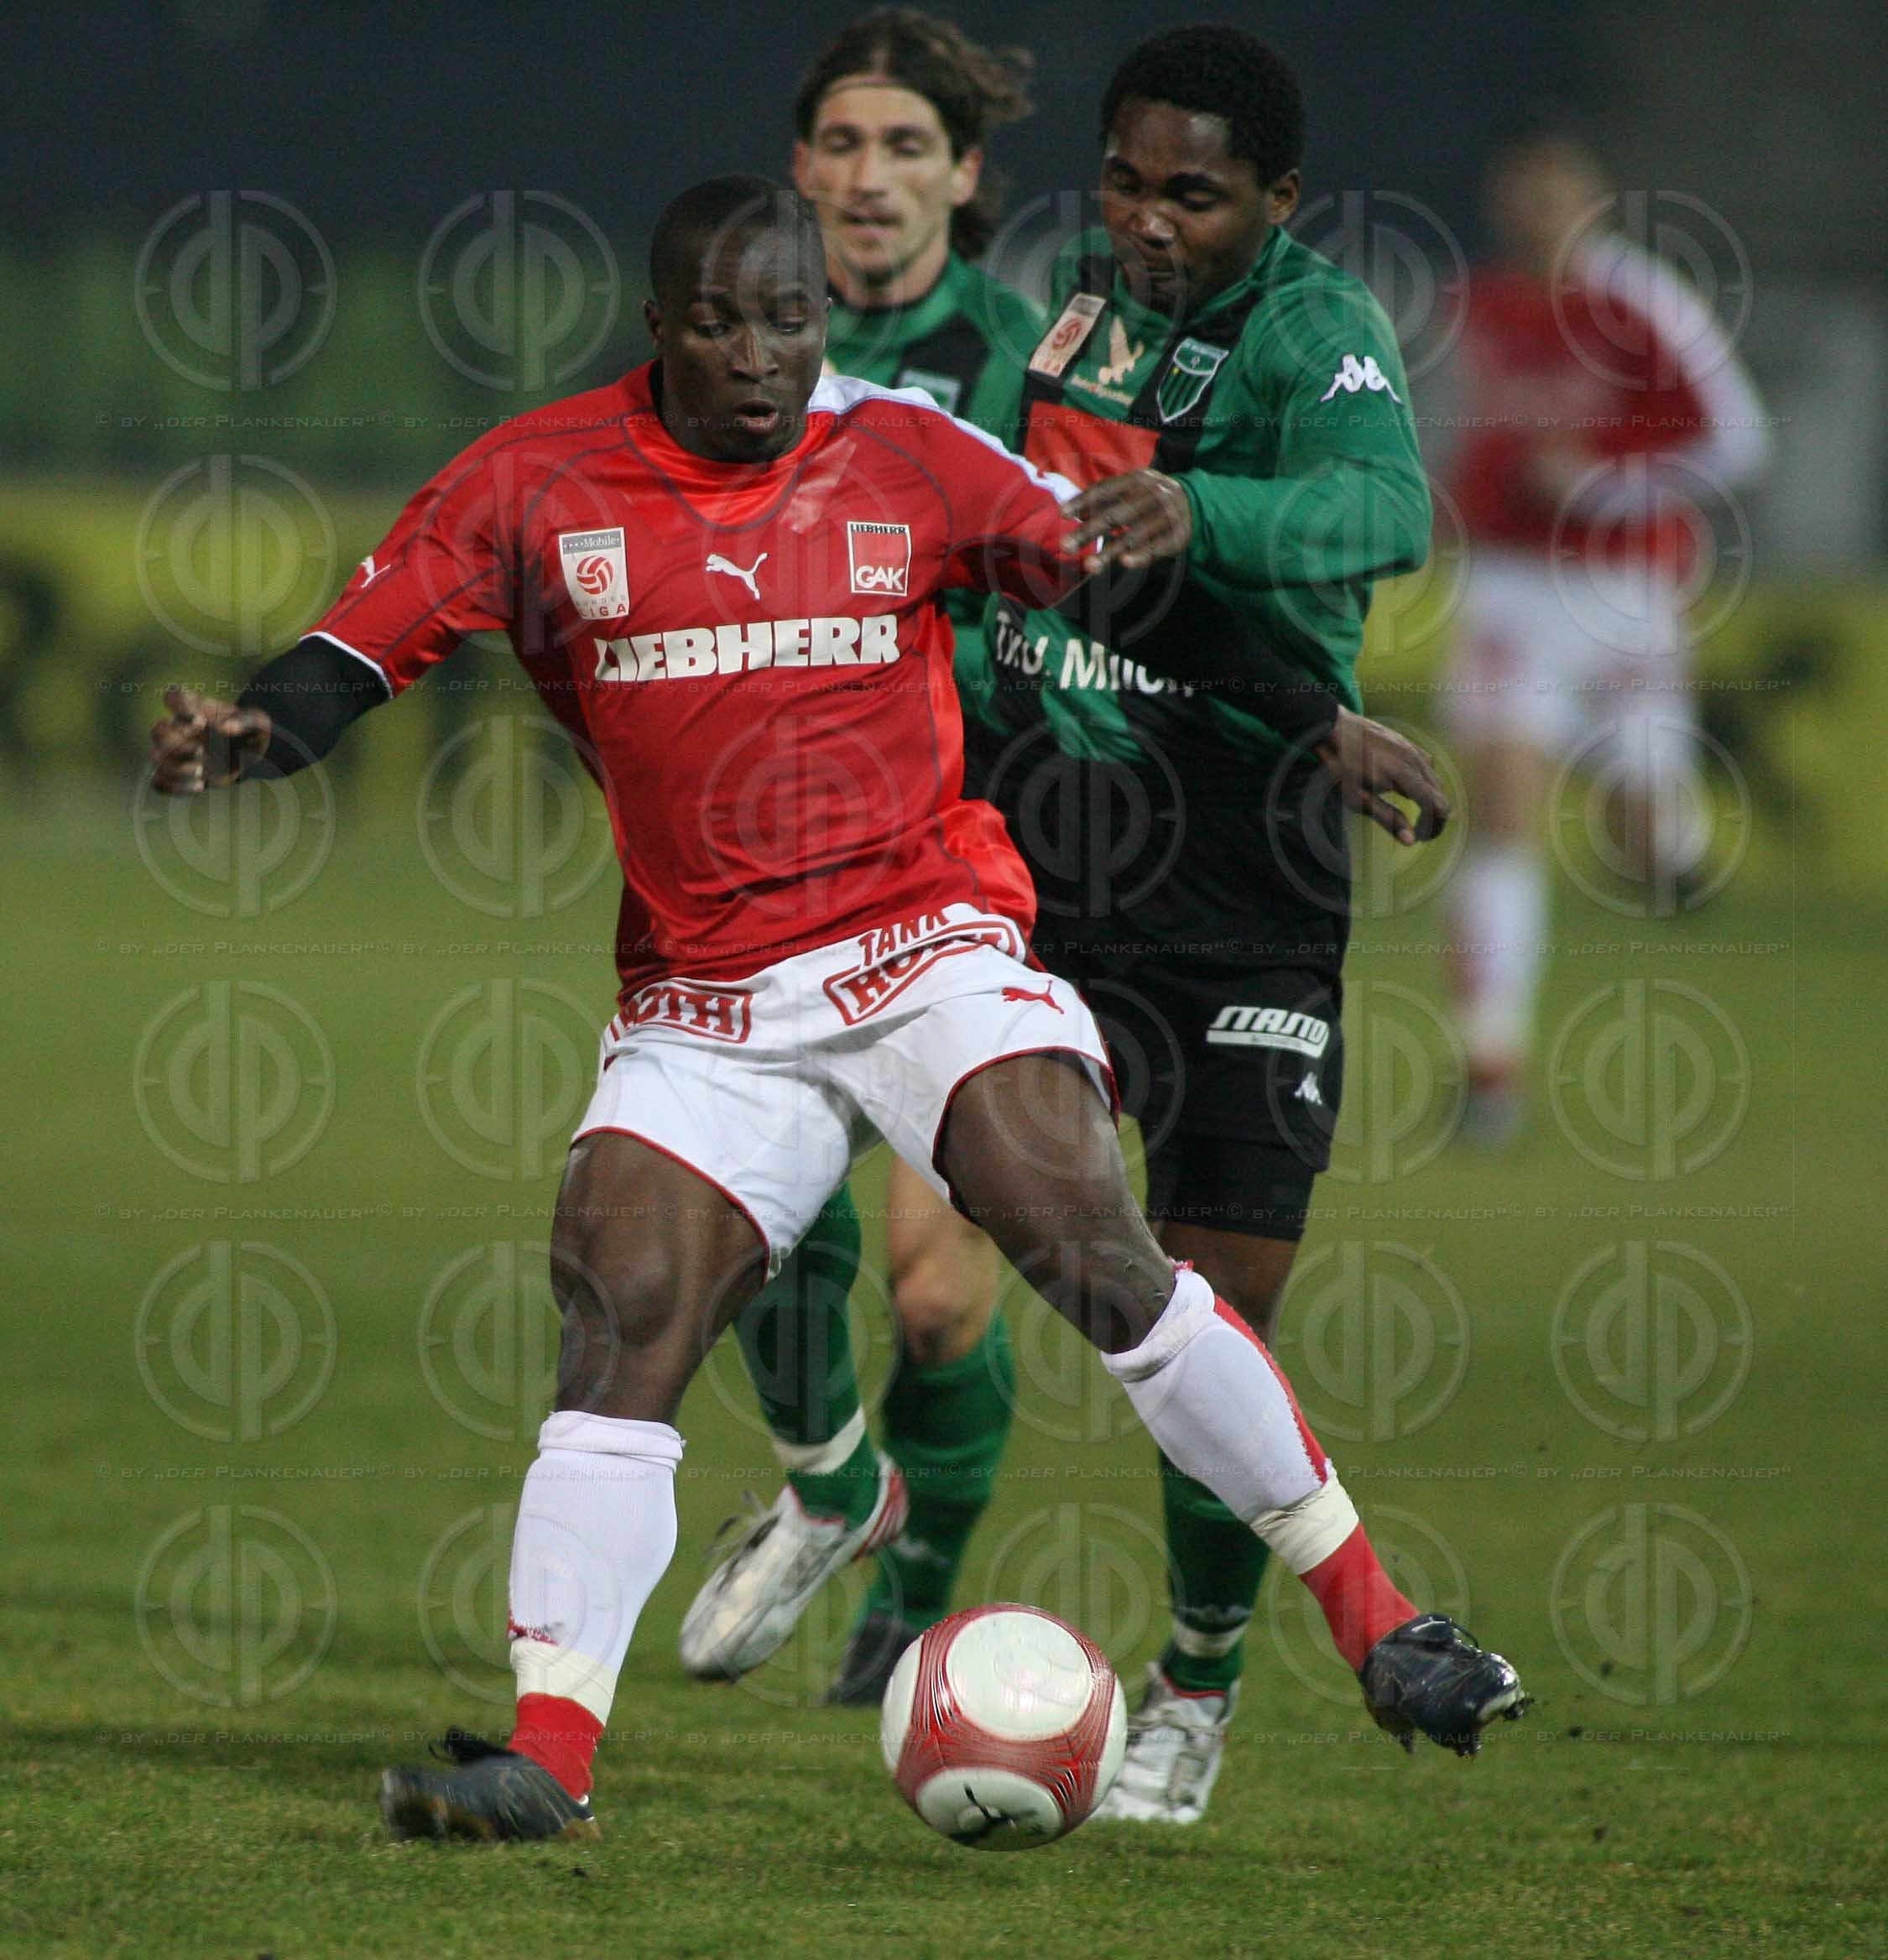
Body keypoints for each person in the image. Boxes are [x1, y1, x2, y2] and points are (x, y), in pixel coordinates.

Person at [149, 175, 1520, 1845]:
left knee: (1087, 1239)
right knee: (619, 1299)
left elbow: (1128, 594)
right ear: (661, 325)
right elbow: (357, 649)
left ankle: (1383, 1624)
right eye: (720, 322)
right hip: (706, 992)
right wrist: (254, 737)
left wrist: (1316, 720)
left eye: (788, 321)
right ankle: (550, 1758)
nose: (759, 354)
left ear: (820, 322)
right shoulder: (534, 479)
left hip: (921, 934)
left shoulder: (909, 457)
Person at [681, 27, 1502, 1825]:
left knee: (1215, 1316)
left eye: (1191, 192)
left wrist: (1217, 533)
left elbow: (1384, 511)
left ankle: (1197, 1680)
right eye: (1125, 179)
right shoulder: (1080, 305)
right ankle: (854, 1504)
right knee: (888, 1229)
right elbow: (1047, 545)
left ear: (1274, 201)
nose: (1143, 219)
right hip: (1042, 862)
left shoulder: (1315, 331)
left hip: (1248, 879)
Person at [673, 11, 1051, 1691]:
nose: (869, 178)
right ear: (801, 167)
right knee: (767, 1245)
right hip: (762, 869)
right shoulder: (731, 357)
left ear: (966, 179)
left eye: (909, 148)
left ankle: (918, 1595)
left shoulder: (1041, 362)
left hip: (972, 863)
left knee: (932, 1297)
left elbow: (1079, 581)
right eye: (840, 144)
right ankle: (838, 1484)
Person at [1442, 117, 1769, 1139]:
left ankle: (1671, 835)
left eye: (1557, 194)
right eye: (1523, 194)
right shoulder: (1481, 305)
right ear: (1503, 204)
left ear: (1591, 206)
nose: (1537, 214)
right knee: (1501, 809)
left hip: (1623, 590)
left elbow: (1739, 440)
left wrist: (1603, 485)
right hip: (1509, 586)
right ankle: (1490, 1063)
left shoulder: (1637, 299)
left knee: (1637, 839)